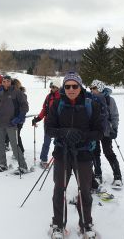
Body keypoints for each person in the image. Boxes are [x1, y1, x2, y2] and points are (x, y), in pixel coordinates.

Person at [46, 72, 103, 239]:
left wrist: (82, 135)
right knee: (59, 190)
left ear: (80, 86)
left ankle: (85, 224)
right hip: (62, 153)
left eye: (75, 86)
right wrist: (65, 132)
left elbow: (100, 132)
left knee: (85, 191)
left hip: (83, 154)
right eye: (67, 86)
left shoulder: (91, 104)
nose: (71, 89)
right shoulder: (57, 104)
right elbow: (48, 130)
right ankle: (58, 225)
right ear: (64, 87)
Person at [0, 75, 29, 174]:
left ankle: (23, 166)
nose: (6, 83)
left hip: (11, 123)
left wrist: (19, 117)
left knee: (15, 146)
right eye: (4, 81)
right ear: (2, 83)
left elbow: (25, 106)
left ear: (11, 82)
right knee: (0, 145)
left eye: (8, 81)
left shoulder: (17, 93)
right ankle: (3, 165)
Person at [89, 79, 122, 187]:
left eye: (94, 88)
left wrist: (115, 129)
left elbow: (115, 115)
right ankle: (98, 175)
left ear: (100, 88)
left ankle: (117, 176)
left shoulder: (109, 100)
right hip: (94, 130)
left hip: (106, 131)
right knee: (95, 152)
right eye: (91, 88)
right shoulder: (90, 99)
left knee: (108, 152)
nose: (92, 90)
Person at [32, 79, 61, 168]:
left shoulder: (62, 97)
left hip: (59, 124)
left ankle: (61, 160)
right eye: (51, 87)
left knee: (60, 143)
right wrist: (37, 119)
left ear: (58, 87)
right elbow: (44, 109)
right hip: (48, 123)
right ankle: (43, 159)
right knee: (46, 142)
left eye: (54, 87)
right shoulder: (48, 97)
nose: (52, 89)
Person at [12, 78, 26, 154]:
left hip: (19, 119)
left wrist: (19, 118)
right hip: (14, 118)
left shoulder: (21, 95)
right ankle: (18, 151)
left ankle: (20, 151)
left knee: (17, 135)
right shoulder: (13, 94)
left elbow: (25, 108)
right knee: (15, 135)